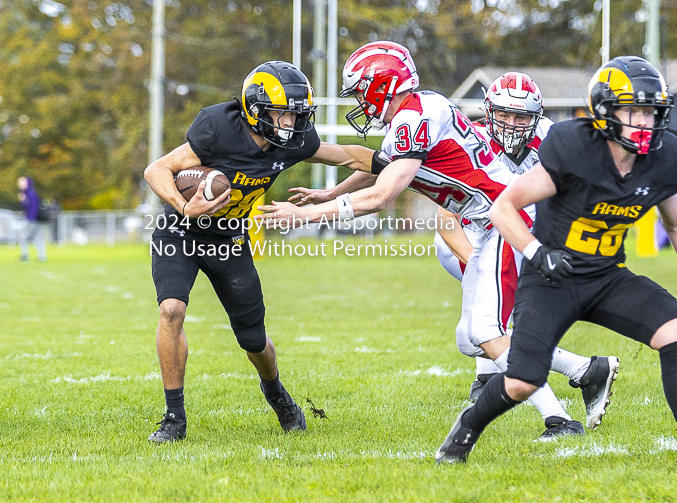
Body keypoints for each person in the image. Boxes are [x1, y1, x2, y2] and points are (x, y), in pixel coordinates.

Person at [259, 42, 616, 441]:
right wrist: (327, 192)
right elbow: (371, 161)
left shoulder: (415, 119)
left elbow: (380, 197)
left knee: (485, 331)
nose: (361, 101)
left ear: (382, 85)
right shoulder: (418, 110)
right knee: (472, 338)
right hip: (486, 222)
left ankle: (560, 419)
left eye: (362, 90)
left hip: (503, 220)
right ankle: (586, 371)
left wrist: (303, 215)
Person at [436, 56, 677, 464]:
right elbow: (503, 207)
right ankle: (467, 428)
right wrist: (536, 251)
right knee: (521, 382)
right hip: (551, 277)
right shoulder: (574, 146)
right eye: (633, 111)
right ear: (605, 112)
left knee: (674, 332)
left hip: (607, 276)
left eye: (651, 112)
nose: (644, 122)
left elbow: (675, 224)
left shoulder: (665, 155)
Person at [143, 60, 376, 443]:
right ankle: (174, 418)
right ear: (256, 110)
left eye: (297, 115)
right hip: (180, 229)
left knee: (254, 340)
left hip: (230, 237)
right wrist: (186, 206)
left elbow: (356, 158)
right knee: (171, 309)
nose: (293, 123)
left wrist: (403, 158)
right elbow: (157, 170)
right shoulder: (218, 126)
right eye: (283, 114)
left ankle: (277, 395)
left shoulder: (297, 141)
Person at [17, 176, 47, 262]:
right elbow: (23, 207)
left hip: (32, 220)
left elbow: (33, 208)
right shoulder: (26, 193)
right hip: (34, 219)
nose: (19, 184)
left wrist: (30, 219)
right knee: (38, 238)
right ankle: (42, 256)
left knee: (24, 237)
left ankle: (25, 256)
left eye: (22, 182)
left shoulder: (30, 193)